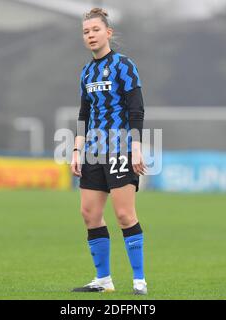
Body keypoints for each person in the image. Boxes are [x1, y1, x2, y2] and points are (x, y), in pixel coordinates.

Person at [70, 7, 147, 295]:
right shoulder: (86, 71)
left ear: (108, 33)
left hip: (120, 149)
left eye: (95, 30)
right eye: (86, 32)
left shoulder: (124, 65)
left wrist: (136, 148)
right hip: (92, 151)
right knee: (89, 213)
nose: (90, 35)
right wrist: (77, 149)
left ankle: (139, 280)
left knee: (125, 215)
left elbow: (136, 108)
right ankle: (103, 280)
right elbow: (84, 113)